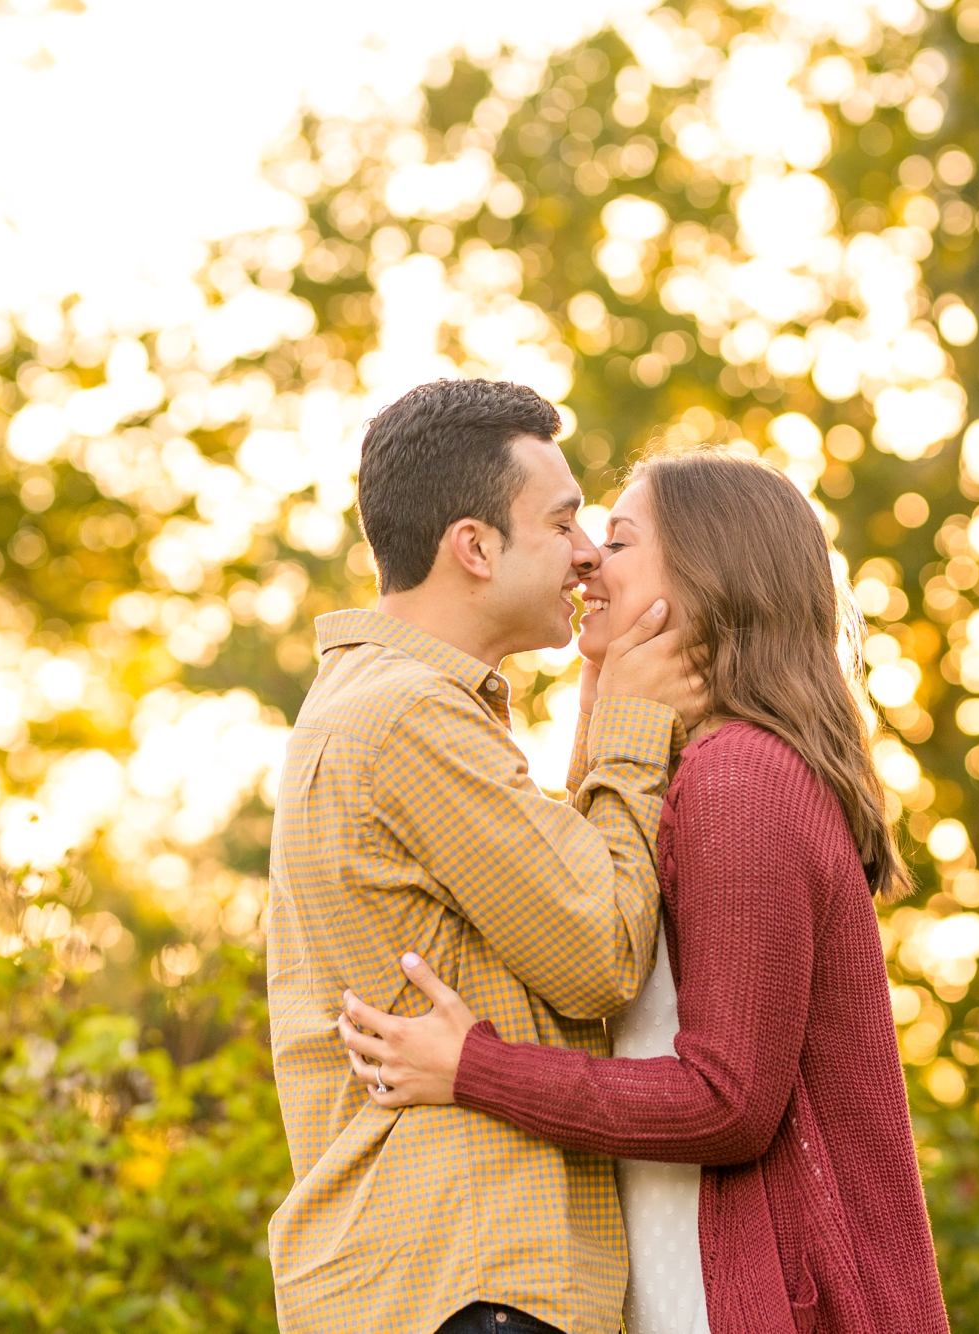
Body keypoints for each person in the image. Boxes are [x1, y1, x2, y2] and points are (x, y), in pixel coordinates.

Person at [339, 447, 951, 1334]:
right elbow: (592, 920)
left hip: (775, 1304)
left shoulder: (742, 779)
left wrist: (473, 1068)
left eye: (618, 542)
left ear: (708, 574)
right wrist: (603, 706)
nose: (588, 558)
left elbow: (729, 1101)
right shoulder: (690, 773)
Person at [265, 379, 706, 1334]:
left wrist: (599, 700)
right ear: (474, 547)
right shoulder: (411, 718)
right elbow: (598, 954)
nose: (588, 553)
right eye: (563, 523)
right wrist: (636, 724)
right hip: (470, 1281)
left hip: (432, 1281)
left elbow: (565, 895)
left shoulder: (382, 707)